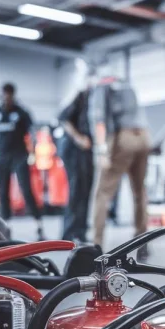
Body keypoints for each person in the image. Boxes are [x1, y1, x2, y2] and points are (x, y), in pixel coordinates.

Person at [90, 77, 150, 250]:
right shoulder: (128, 86)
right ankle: (142, 240)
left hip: (123, 138)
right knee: (140, 192)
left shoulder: (101, 87)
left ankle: (96, 243)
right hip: (144, 136)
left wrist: (102, 150)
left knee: (103, 193)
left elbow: (99, 119)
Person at [0, 83, 44, 239]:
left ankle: (39, 226)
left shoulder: (21, 112)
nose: (7, 98)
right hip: (2, 157)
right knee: (3, 192)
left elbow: (33, 133)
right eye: (5, 95)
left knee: (27, 190)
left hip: (20, 156)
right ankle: (6, 230)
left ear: (13, 95)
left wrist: (33, 153)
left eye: (10, 95)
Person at [59, 88, 93, 242]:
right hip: (74, 150)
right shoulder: (82, 96)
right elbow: (64, 119)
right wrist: (78, 138)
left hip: (87, 152)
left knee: (85, 191)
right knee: (76, 192)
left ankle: (80, 232)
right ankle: (69, 233)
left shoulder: (98, 99)